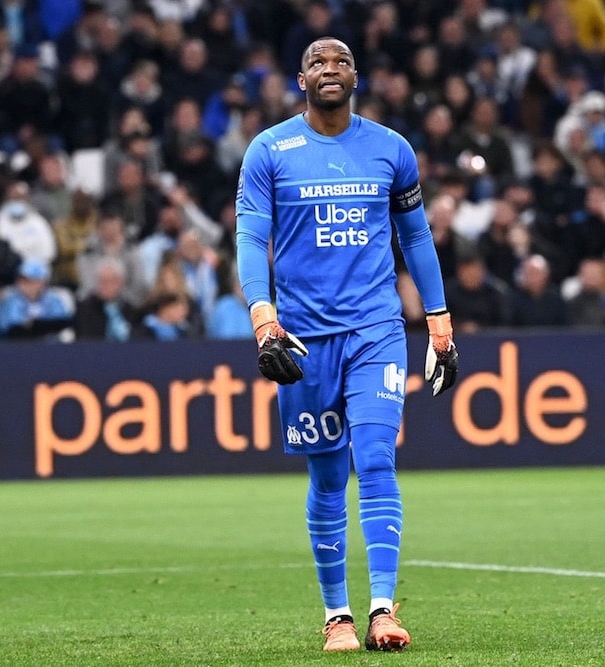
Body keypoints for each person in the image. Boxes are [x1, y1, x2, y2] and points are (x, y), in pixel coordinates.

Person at [235, 37, 458, 653]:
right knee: (329, 474)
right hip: (303, 339)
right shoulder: (268, 151)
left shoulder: (391, 150)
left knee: (377, 458)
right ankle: (337, 615)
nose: (328, 70)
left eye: (340, 62)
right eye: (316, 63)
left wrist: (438, 322)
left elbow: (416, 239)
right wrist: (263, 317)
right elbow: (252, 240)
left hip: (377, 332)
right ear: (299, 79)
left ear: (356, 76)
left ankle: (383, 609)